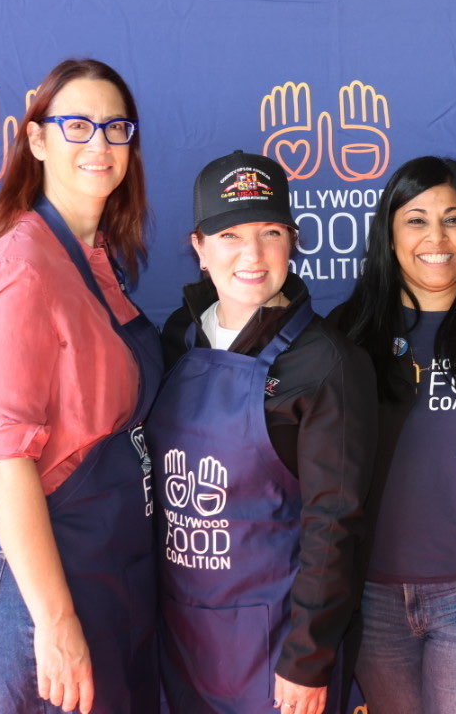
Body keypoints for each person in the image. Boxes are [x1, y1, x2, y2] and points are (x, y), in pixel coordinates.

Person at [0, 58, 163, 714]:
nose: (99, 144)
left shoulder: (95, 257)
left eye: (115, 128)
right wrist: (55, 621)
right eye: (76, 125)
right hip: (46, 580)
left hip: (106, 568)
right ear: (38, 140)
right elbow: (5, 457)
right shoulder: (23, 268)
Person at [148, 151, 376, 714]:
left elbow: (335, 525)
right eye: (229, 234)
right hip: (183, 637)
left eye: (270, 231)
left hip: (277, 650)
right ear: (199, 248)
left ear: (293, 241)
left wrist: (308, 658)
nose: (251, 255)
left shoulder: (325, 363)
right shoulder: (179, 337)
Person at [331, 156, 456, 714]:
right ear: (389, 235)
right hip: (372, 603)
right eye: (416, 219)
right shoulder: (344, 338)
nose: (436, 237)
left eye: (454, 218)